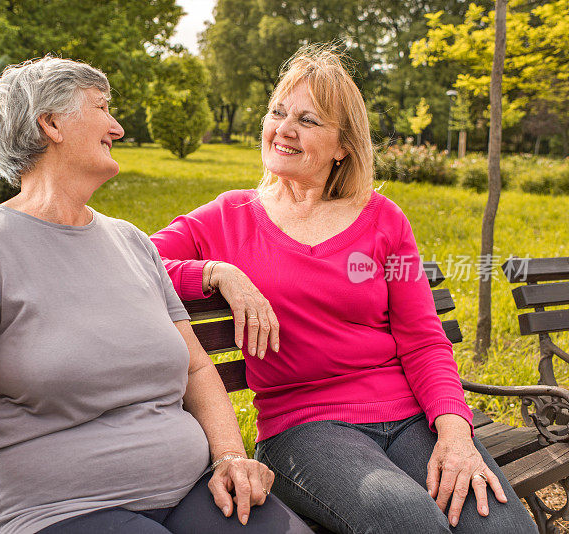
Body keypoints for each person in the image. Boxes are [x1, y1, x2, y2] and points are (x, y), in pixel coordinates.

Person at [0, 57, 311, 534]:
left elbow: (196, 369)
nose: (117, 128)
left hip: (193, 491)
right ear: (50, 123)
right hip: (60, 509)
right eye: (102, 107)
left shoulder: (133, 242)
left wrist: (229, 457)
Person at [151, 45, 537, 534]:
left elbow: (423, 339)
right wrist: (215, 273)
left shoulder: (383, 220)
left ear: (343, 146)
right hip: (305, 428)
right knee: (411, 523)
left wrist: (455, 432)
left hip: (410, 416)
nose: (284, 129)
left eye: (308, 120)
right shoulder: (227, 216)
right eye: (278, 112)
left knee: (503, 528)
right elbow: (135, 263)